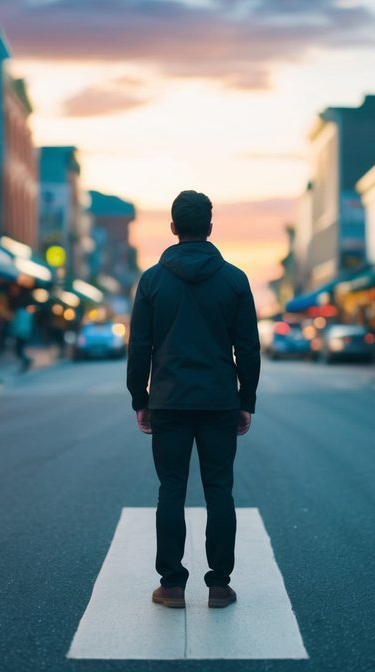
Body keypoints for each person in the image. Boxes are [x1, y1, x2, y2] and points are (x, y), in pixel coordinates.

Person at [126, 190, 259, 611]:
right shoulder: (234, 279)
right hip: (219, 400)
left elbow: (139, 347)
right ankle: (219, 585)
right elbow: (249, 348)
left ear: (173, 228)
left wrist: (140, 398)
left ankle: (172, 585)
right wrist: (246, 399)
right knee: (220, 489)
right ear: (210, 227)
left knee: (171, 489)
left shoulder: (151, 280)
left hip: (168, 401)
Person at [10, 304, 34, 372]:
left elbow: (15, 323)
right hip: (25, 334)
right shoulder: (28, 314)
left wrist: (13, 332)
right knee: (20, 349)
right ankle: (25, 362)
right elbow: (30, 325)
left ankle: (26, 361)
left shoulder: (19, 313)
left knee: (18, 350)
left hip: (19, 334)